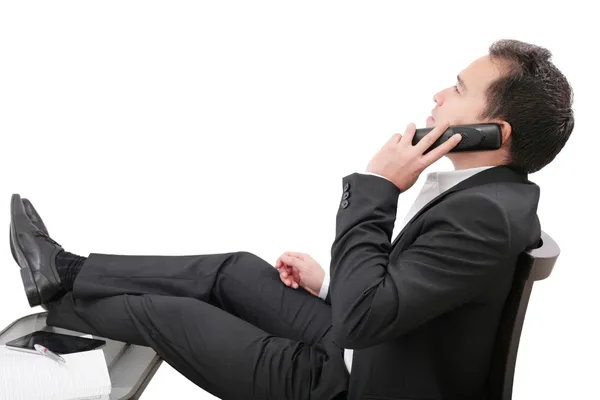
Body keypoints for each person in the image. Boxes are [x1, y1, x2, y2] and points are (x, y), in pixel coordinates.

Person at [8, 38, 574, 400]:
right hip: (368, 346)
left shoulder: (483, 217)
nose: (436, 94)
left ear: (494, 133)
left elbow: (364, 319)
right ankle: (64, 270)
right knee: (234, 270)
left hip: (345, 383)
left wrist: (378, 188)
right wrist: (326, 282)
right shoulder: (489, 198)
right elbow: (408, 297)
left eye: (457, 89)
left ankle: (54, 307)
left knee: (166, 315)